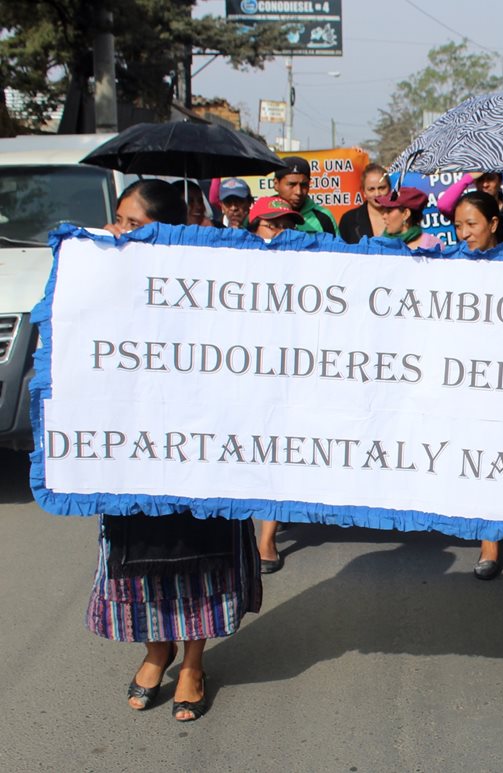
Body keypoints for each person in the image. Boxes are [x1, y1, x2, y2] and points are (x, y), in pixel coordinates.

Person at [96, 179, 261, 721]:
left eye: (131, 223)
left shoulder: (210, 275)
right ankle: (155, 650)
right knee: (138, 554)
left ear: (163, 228)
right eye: (117, 220)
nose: (118, 231)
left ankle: (192, 662)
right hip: (134, 447)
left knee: (199, 557)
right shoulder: (101, 277)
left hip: (198, 448)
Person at [452, 190, 503, 581]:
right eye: (458, 226)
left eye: (472, 224)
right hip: (464, 375)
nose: (464, 233)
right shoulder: (452, 264)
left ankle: (491, 543)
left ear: (493, 223)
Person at [436, 172, 503, 245]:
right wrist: (468, 178)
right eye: (480, 180)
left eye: (490, 179)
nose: (485, 184)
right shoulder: (467, 210)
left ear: (500, 181)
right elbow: (443, 205)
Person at [274, 156, 337, 236]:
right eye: (291, 184)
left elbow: (336, 247)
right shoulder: (263, 215)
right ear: (276, 184)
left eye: (304, 185)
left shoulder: (323, 217)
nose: (298, 192)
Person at [338, 163, 391, 244]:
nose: (377, 194)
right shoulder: (349, 220)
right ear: (364, 192)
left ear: (390, 188)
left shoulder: (400, 216)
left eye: (382, 188)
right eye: (371, 189)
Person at [377, 186, 442, 250]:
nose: (384, 216)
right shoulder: (378, 245)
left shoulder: (433, 246)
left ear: (406, 214)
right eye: (384, 211)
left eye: (389, 211)